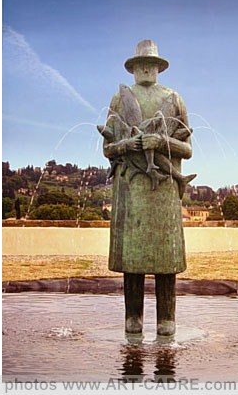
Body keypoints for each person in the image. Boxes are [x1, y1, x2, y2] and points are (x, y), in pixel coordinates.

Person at [102, 40, 193, 336]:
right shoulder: (119, 99)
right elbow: (107, 149)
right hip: (132, 187)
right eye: (142, 64)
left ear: (159, 68)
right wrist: (127, 144)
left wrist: (162, 142)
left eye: (151, 65)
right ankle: (133, 316)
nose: (146, 69)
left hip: (164, 190)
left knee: (166, 256)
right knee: (133, 255)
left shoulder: (174, 98)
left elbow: (187, 149)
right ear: (132, 68)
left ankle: (167, 317)